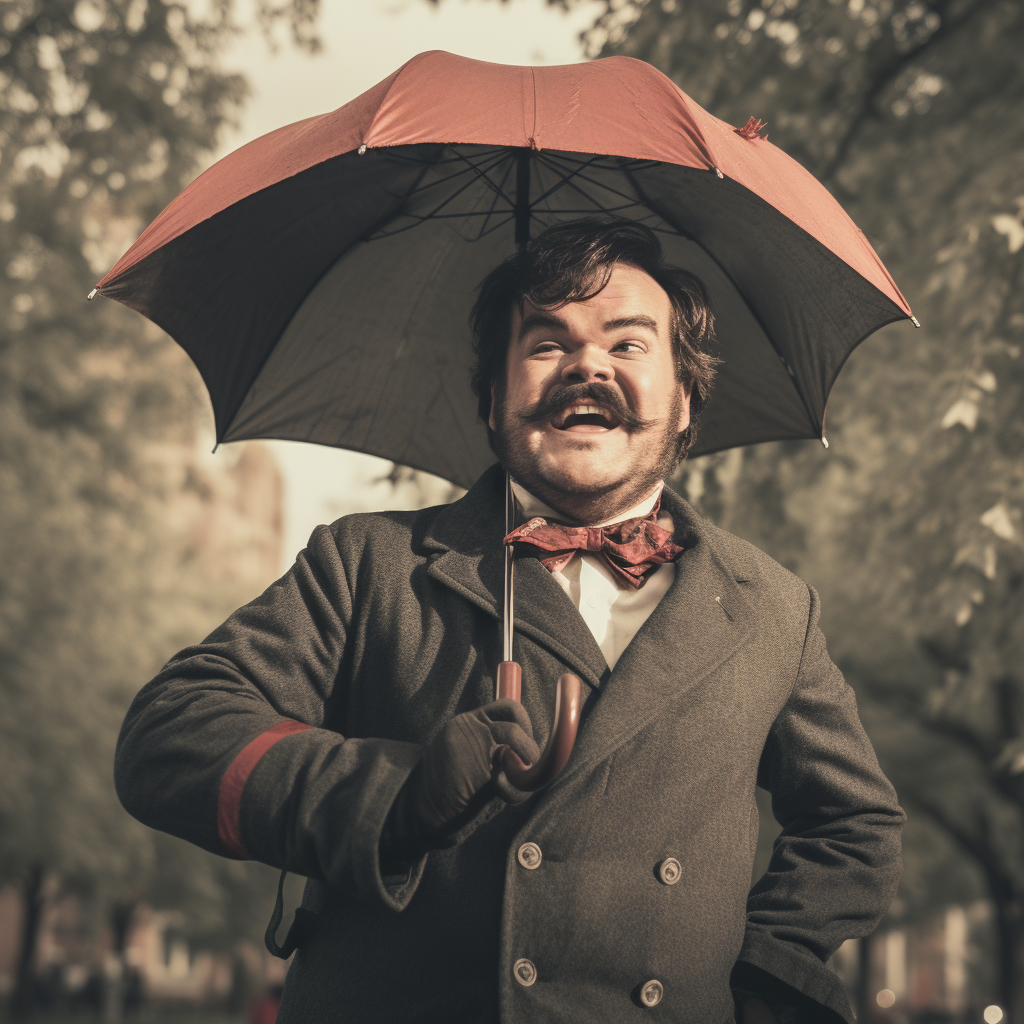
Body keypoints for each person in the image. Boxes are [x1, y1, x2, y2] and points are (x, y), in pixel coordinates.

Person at [114, 221, 904, 1024]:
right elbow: (169, 735)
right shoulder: (365, 563)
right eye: (546, 342)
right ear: (493, 401)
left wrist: (768, 977)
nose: (587, 364)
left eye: (627, 344)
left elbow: (855, 822)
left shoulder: (775, 606)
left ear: (687, 399)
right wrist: (396, 794)